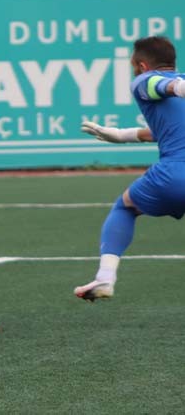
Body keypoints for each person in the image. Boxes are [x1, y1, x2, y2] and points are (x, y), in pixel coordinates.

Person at [74, 36, 185, 301]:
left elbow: (167, 86)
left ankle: (104, 279)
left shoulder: (144, 81)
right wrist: (122, 135)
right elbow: (167, 130)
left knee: (125, 207)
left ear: (143, 65)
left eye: (134, 65)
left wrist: (178, 86)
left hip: (175, 174)